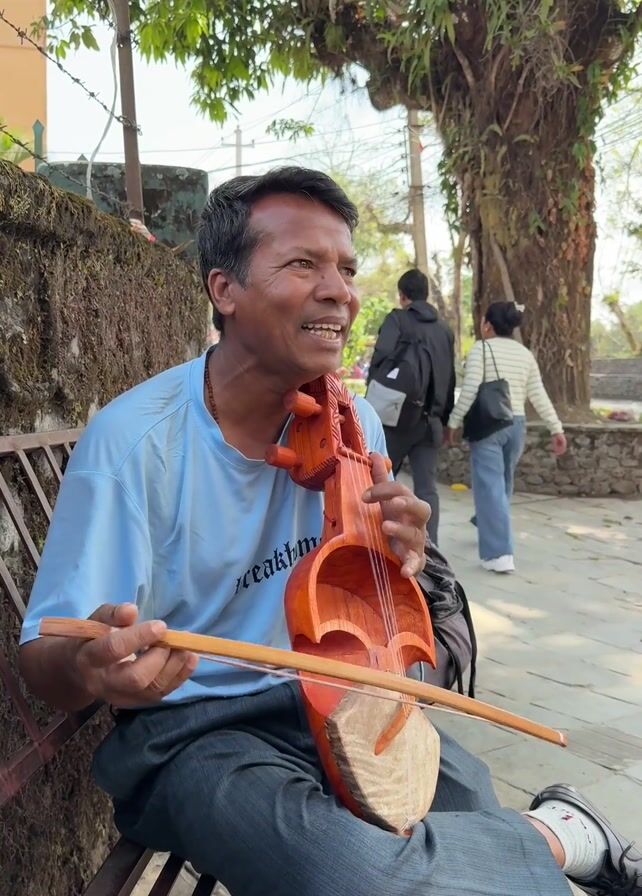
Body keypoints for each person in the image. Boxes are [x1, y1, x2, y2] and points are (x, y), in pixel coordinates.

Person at [18, 170, 639, 896]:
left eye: (346, 268)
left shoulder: (356, 422)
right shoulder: (135, 443)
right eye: (302, 264)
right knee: (353, 875)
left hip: (346, 698)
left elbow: (370, 600)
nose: (339, 291)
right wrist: (91, 667)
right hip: (198, 733)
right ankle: (557, 836)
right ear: (225, 289)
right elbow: (43, 657)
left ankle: (527, 845)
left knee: (466, 811)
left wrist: (401, 557)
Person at [446, 301, 567, 573]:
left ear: (487, 325)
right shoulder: (525, 354)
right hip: (517, 426)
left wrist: (453, 422)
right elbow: (538, 394)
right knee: (502, 483)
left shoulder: (481, 349)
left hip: (489, 425)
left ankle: (499, 554)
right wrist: (556, 428)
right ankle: (487, 521)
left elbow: (470, 389)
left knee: (490, 487)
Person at [368, 269, 455, 546]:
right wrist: (444, 419)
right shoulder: (444, 330)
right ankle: (429, 548)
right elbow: (450, 377)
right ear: (425, 294)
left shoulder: (397, 319)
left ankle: (379, 543)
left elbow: (379, 361)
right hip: (430, 422)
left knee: (380, 482)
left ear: (403, 295)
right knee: (427, 488)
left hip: (394, 419)